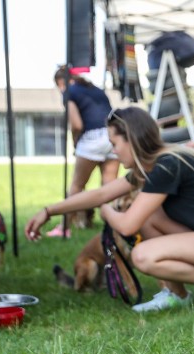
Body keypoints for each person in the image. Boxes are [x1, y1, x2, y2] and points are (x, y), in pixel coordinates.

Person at [25, 106, 194, 315]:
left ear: (131, 139)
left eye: (115, 144)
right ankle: (176, 293)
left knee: (143, 256)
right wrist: (49, 211)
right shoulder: (157, 163)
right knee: (148, 217)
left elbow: (126, 224)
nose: (113, 151)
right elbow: (101, 193)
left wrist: (106, 211)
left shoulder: (167, 166)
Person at [48, 66, 121, 237]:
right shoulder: (96, 90)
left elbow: (76, 125)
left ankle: (64, 228)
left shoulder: (69, 92)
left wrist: (75, 144)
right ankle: (115, 227)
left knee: (76, 186)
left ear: (61, 82)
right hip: (112, 136)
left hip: (91, 139)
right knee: (111, 187)